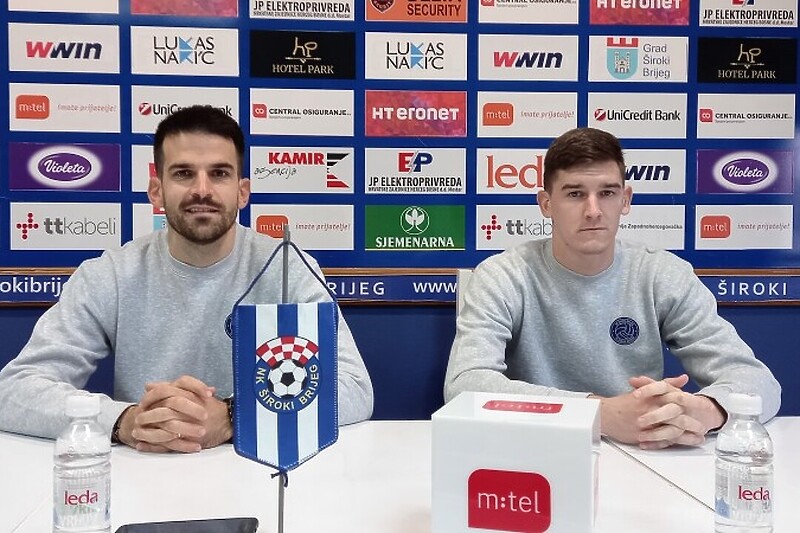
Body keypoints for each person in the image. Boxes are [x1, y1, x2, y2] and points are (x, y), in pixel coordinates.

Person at [0, 105, 373, 453]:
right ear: (156, 190)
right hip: (147, 473)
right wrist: (125, 421)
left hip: (259, 470)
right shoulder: (111, 274)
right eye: (183, 173)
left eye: (219, 173)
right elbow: (13, 390)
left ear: (242, 192)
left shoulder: (287, 266)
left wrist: (233, 415)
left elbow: (354, 388)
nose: (202, 190)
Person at [445, 127, 781, 450]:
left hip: (644, 453)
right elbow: (465, 386)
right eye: (575, 194)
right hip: (535, 453)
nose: (593, 211)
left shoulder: (662, 274)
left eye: (607, 193)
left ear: (625, 199)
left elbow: (757, 382)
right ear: (546, 204)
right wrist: (599, 414)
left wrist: (704, 412)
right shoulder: (502, 276)